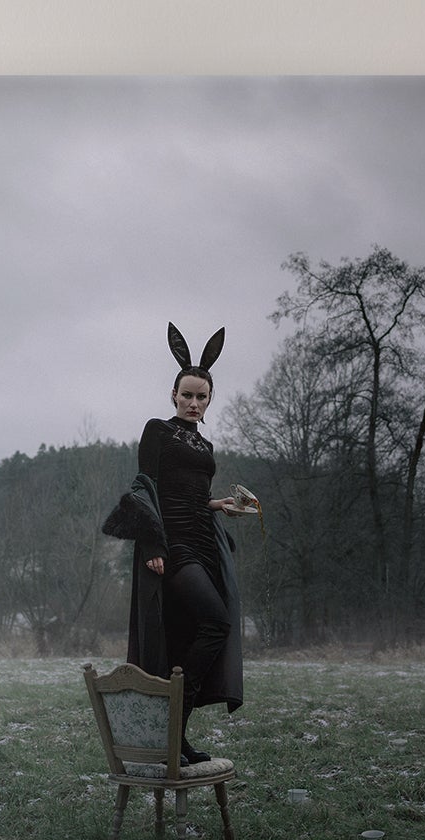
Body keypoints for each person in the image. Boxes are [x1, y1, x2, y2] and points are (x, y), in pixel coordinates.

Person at [103, 324, 259, 769]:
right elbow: (146, 485)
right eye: (187, 395)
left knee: (190, 636)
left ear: (210, 400)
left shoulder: (204, 442)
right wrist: (153, 540)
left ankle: (177, 735)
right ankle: (172, 723)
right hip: (173, 548)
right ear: (173, 394)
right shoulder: (157, 431)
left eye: (202, 397)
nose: (194, 403)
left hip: (204, 543)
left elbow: (187, 493)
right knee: (216, 622)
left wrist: (219, 504)